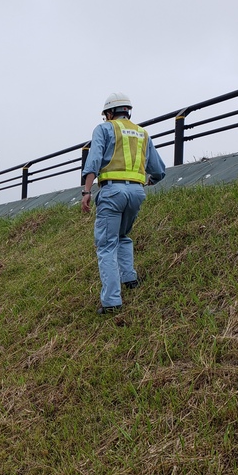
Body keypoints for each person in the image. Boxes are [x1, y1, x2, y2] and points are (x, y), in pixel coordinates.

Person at [81, 92, 166, 314]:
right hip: (137, 192)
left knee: (106, 245)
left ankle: (111, 302)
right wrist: (148, 181)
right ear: (127, 111)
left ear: (110, 113)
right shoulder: (142, 133)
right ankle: (130, 279)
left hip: (112, 192)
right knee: (123, 236)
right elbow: (159, 170)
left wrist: (86, 191)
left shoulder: (104, 129)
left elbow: (94, 160)